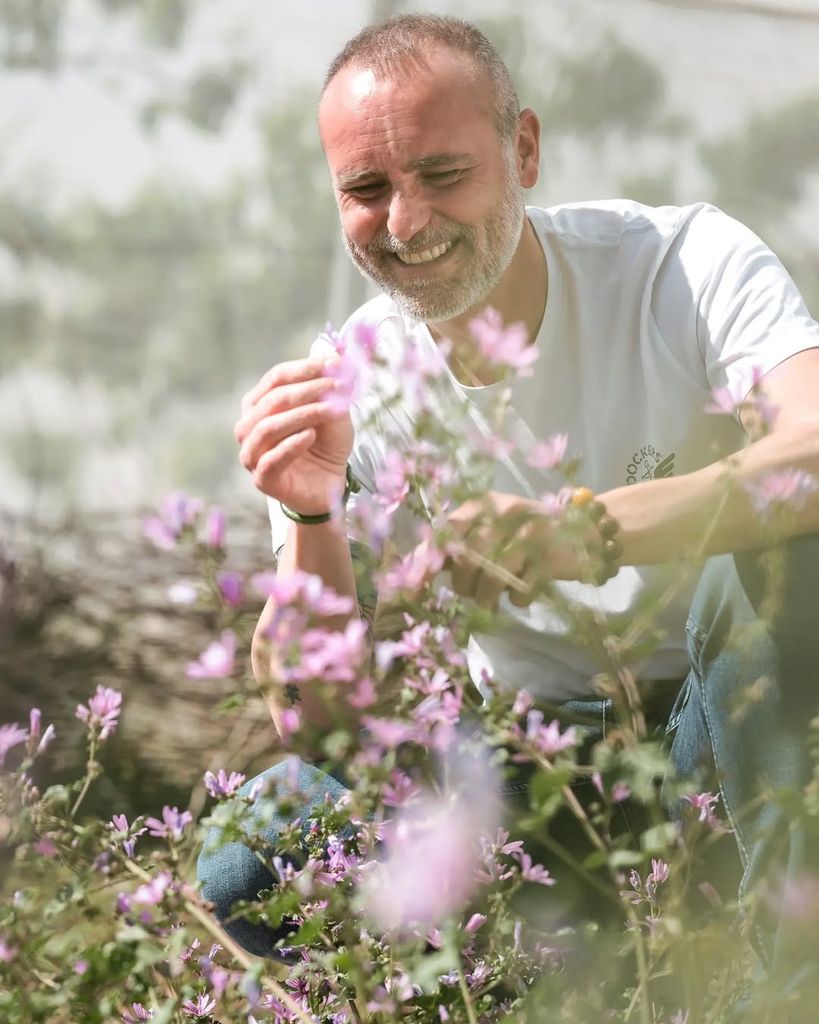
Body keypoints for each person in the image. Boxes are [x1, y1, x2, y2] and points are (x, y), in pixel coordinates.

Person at [200, 12, 819, 981]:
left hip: (719, 732)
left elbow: (814, 447)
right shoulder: (344, 389)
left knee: (793, 549)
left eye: (444, 175)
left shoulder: (680, 266)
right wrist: (313, 510)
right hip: (528, 771)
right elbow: (316, 723)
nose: (406, 223)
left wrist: (585, 530)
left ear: (523, 148)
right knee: (251, 856)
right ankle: (545, 969)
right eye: (366, 190)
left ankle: (786, 977)